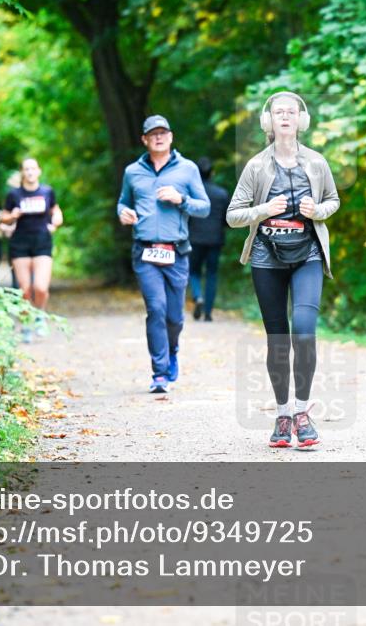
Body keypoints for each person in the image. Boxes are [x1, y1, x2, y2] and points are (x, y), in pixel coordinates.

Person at [226, 92, 340, 448]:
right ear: (269, 121)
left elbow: (333, 201)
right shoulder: (256, 167)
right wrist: (263, 209)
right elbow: (232, 216)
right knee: (277, 341)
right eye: (279, 112)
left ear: (301, 120)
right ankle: (282, 415)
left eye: (292, 112)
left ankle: (303, 413)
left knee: (303, 332)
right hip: (266, 259)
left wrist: (316, 211)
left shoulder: (317, 163)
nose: (286, 117)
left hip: (307, 256)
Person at [118, 115, 210, 394]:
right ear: (144, 140)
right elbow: (123, 202)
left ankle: (172, 350)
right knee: (155, 309)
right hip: (144, 251)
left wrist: (181, 200)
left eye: (163, 133)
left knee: (175, 317)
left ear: (171, 137)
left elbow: (204, 207)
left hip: (176, 253)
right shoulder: (133, 171)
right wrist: (123, 213)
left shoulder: (188, 169)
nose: (158, 137)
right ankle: (159, 372)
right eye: (152, 133)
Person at [0, 158, 63, 342]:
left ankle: (40, 314)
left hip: (42, 241)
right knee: (25, 289)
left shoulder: (47, 191)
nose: (29, 172)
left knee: (40, 288)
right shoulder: (14, 194)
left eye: (33, 168)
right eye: (26, 169)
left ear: (39, 171)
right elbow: (3, 217)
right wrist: (12, 216)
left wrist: (56, 221)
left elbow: (56, 210)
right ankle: (26, 322)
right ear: (22, 173)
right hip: (20, 243)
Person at [188, 157, 230, 322]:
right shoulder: (221, 193)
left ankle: (198, 296)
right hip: (215, 239)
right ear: (212, 173)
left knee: (193, 271)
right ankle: (208, 313)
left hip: (195, 238)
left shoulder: (192, 194)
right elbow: (228, 219)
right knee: (212, 274)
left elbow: (187, 217)